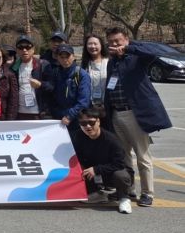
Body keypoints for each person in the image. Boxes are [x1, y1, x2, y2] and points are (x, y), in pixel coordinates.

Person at [104, 26, 172, 207]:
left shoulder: (136, 57)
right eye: (111, 42)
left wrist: (129, 48)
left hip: (134, 114)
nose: (114, 44)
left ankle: (147, 193)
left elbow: (154, 52)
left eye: (118, 41)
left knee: (142, 155)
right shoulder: (112, 62)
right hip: (116, 113)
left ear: (126, 39)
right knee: (123, 156)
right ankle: (128, 189)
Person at [70, 107, 134, 214]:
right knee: (75, 171)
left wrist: (96, 169)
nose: (88, 126)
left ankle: (124, 198)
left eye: (91, 122)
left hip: (111, 172)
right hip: (92, 172)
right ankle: (99, 194)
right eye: (83, 123)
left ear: (98, 121)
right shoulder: (78, 136)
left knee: (120, 175)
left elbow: (119, 164)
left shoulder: (112, 140)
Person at [49, 44, 91, 127]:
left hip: (76, 119)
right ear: (57, 58)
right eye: (61, 57)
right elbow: (51, 96)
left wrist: (69, 116)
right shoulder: (55, 73)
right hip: (58, 118)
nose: (65, 60)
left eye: (67, 56)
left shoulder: (82, 74)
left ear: (73, 56)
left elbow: (84, 101)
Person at [9, 35, 51, 120]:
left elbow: (52, 86)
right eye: (20, 47)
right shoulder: (13, 67)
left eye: (28, 47)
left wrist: (40, 84)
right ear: (17, 50)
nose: (24, 50)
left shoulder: (43, 64)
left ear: (33, 49)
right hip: (19, 113)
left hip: (38, 113)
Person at [82, 34, 109, 106]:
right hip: (89, 105)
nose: (93, 46)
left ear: (101, 45)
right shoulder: (84, 65)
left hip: (107, 104)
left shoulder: (109, 62)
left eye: (95, 44)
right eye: (90, 44)